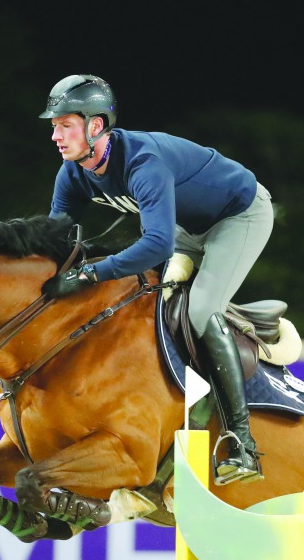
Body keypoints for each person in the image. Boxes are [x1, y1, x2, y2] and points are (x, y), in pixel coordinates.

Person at [38, 74, 274, 485]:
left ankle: (242, 444)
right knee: (141, 304)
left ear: (96, 126)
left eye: (65, 125)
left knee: (200, 309)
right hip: (187, 226)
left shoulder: (142, 161)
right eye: (54, 126)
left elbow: (158, 246)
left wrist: (91, 272)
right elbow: (53, 239)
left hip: (239, 215)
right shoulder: (72, 173)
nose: (56, 135)